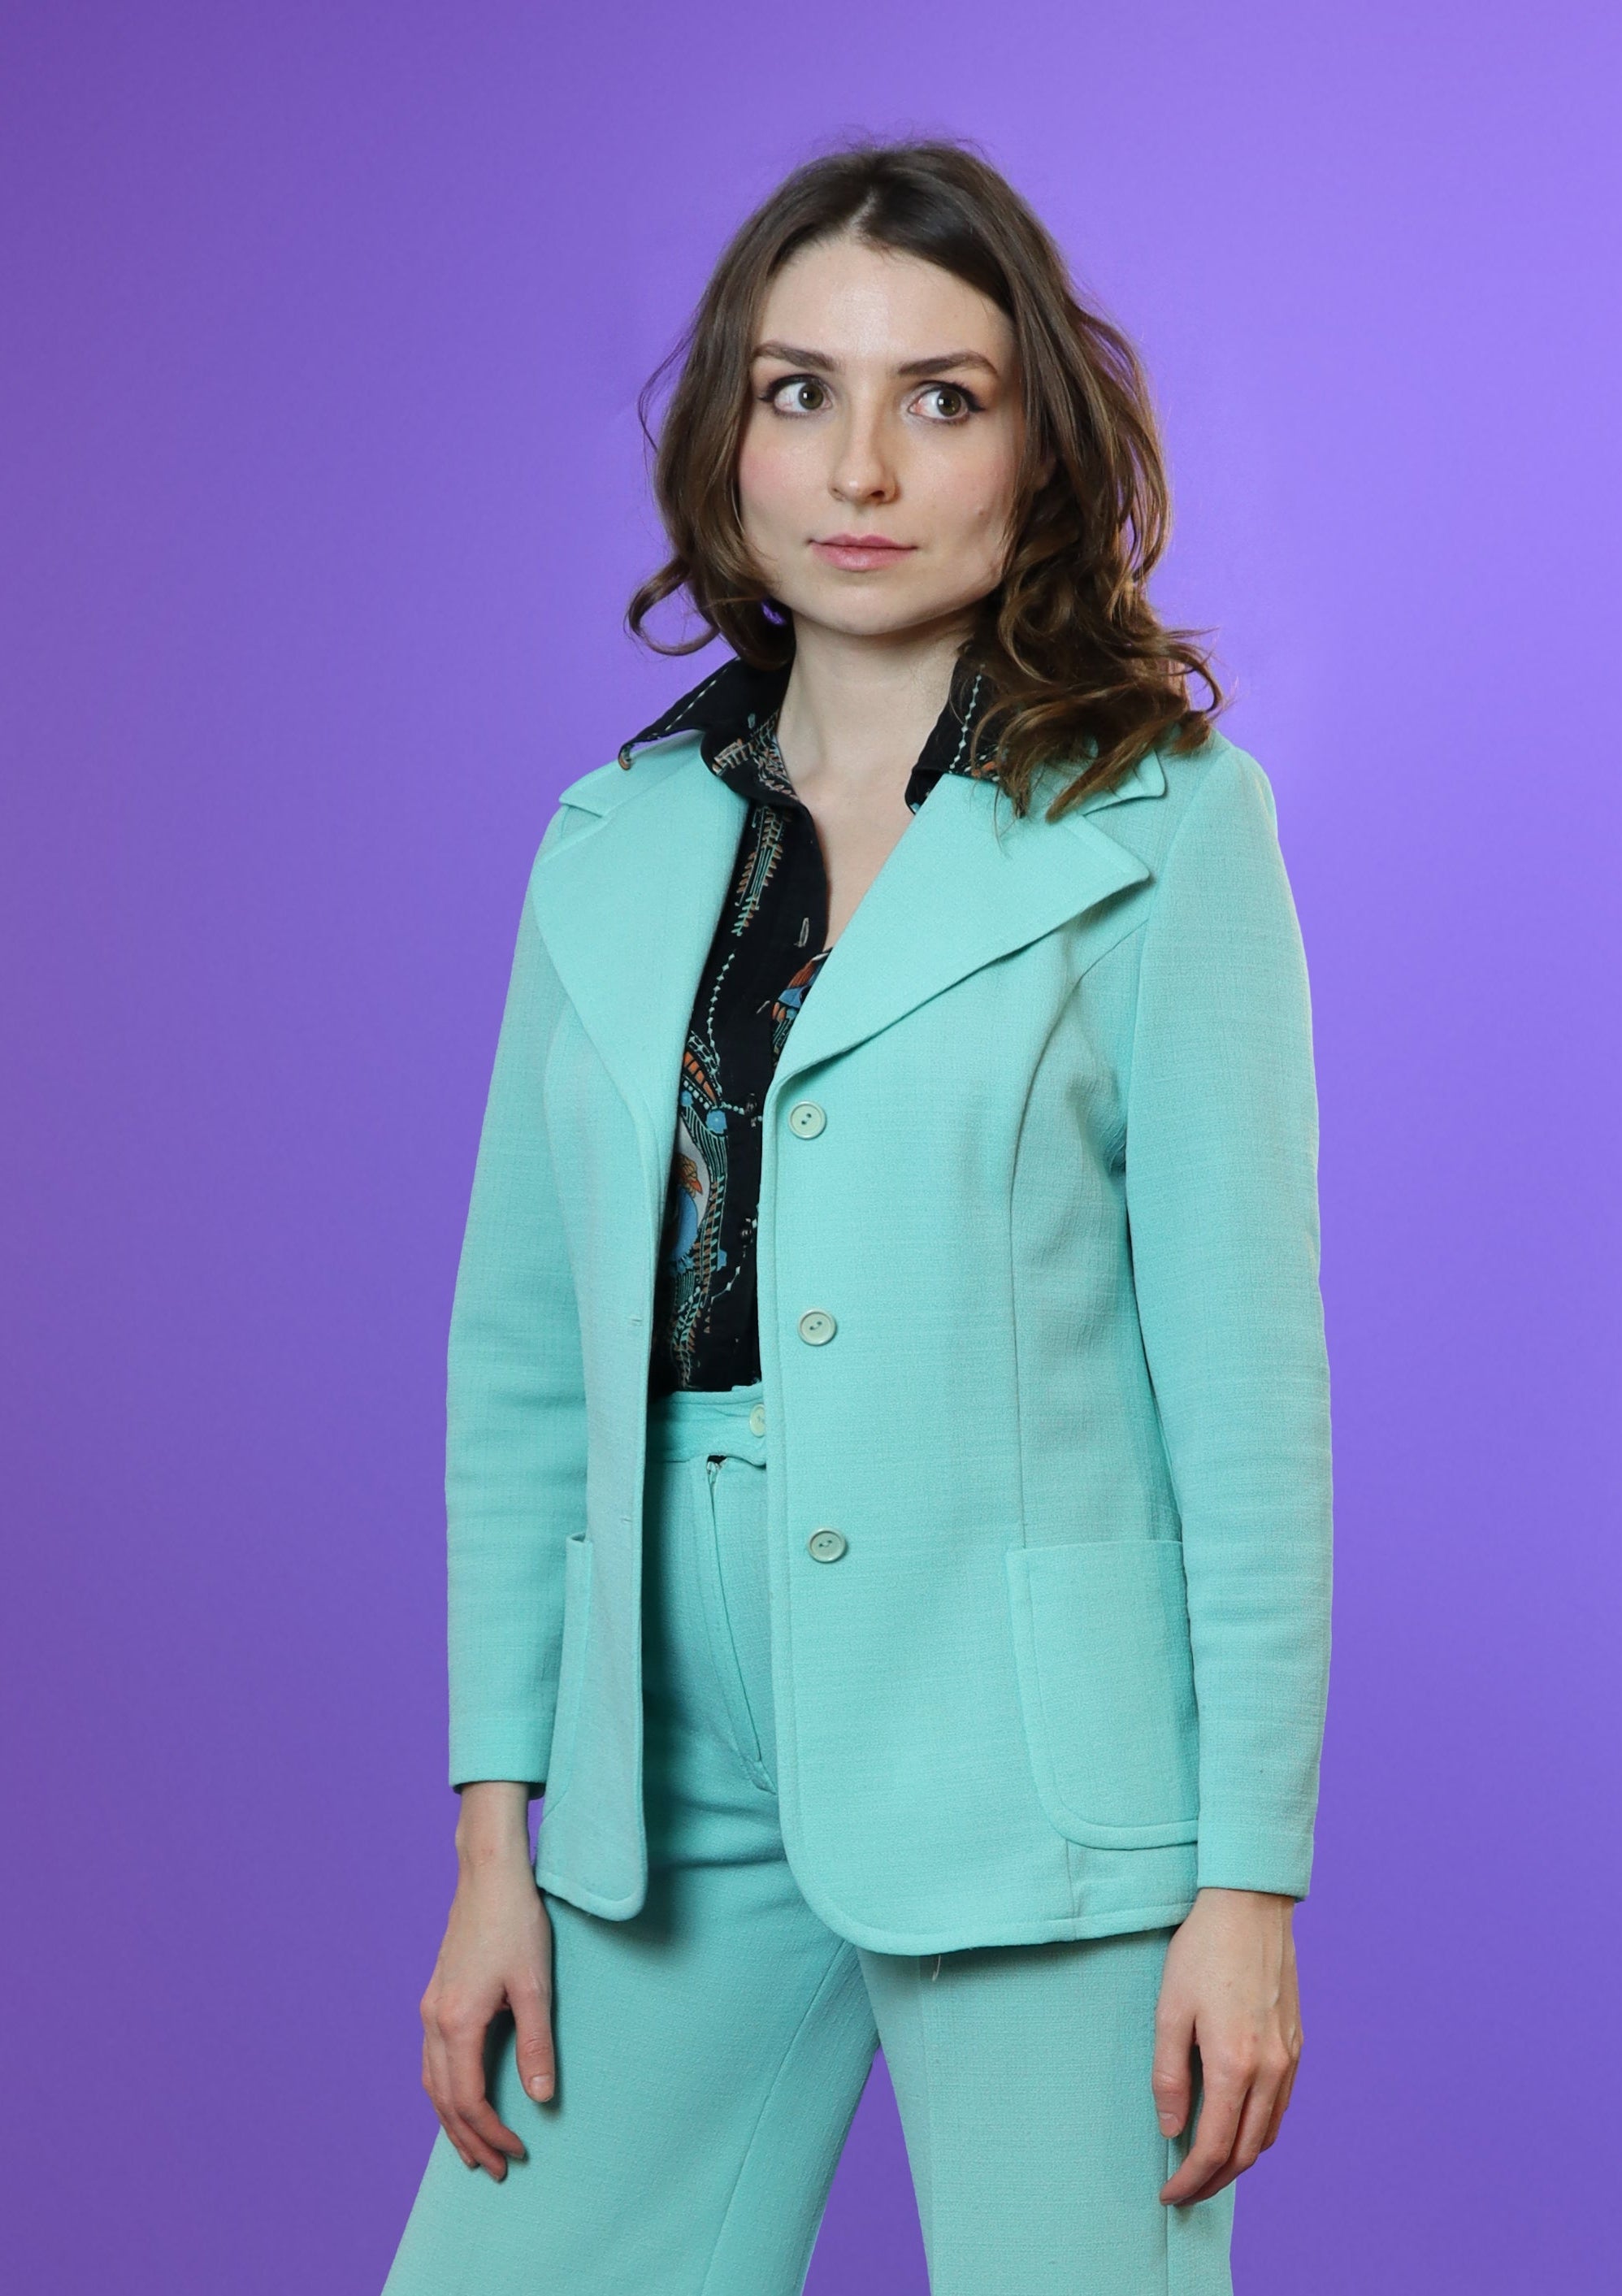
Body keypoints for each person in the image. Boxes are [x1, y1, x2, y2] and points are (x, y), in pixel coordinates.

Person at [381, 135, 1332, 2296]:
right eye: (800, 391)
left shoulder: (1165, 830)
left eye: (942, 397)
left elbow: (1244, 1393)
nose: (863, 466)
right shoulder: (612, 839)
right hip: (659, 1781)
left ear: (1036, 449)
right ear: (728, 442)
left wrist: (1248, 1880)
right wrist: (497, 1826)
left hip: (1037, 1765)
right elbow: (521, 1374)